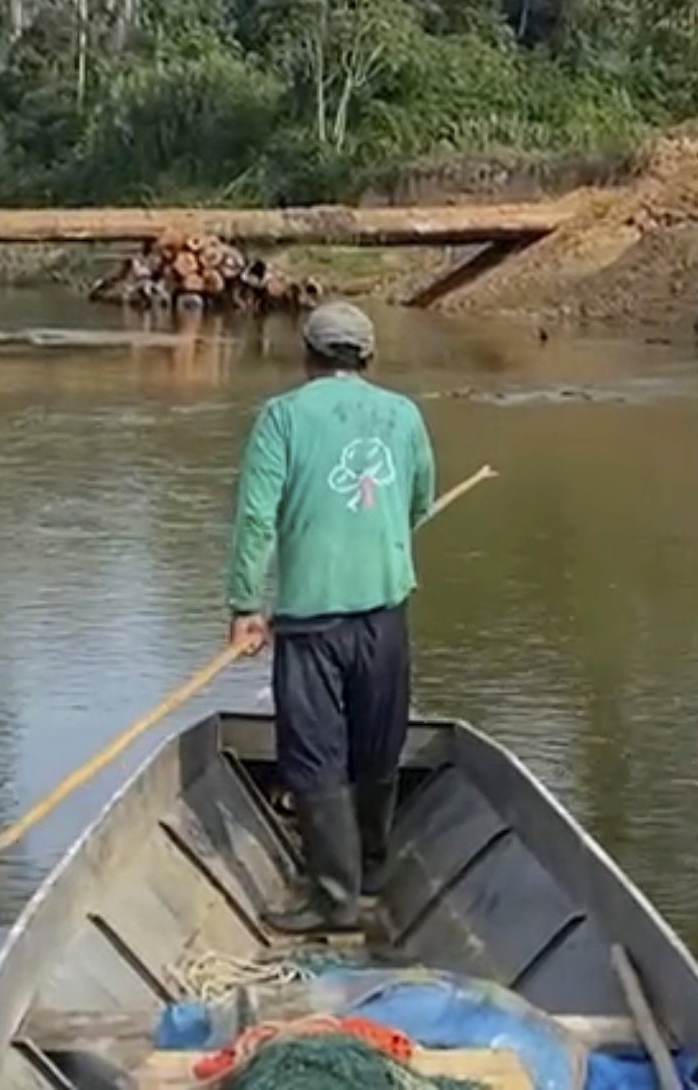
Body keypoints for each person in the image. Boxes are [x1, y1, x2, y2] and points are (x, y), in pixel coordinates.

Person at [224, 300, 438, 932]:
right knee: (378, 745)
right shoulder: (404, 415)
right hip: (385, 611)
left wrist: (245, 605)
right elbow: (419, 499)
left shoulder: (281, 418)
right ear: (368, 357)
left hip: (311, 620)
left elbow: (257, 520)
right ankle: (370, 869)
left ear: (308, 356)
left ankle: (335, 897)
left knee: (316, 755)